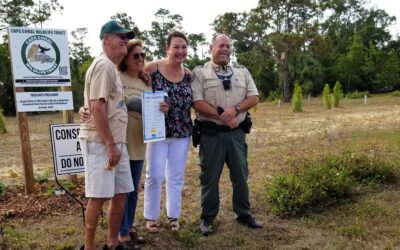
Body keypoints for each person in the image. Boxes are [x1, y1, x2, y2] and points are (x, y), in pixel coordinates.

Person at [80, 39, 168, 249]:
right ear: (125, 57)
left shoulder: (145, 80)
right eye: (135, 55)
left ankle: (120, 236)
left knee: (127, 191)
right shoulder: (108, 69)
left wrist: (161, 107)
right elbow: (95, 104)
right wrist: (85, 110)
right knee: (101, 194)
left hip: (134, 140)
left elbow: (112, 103)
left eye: (143, 56)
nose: (140, 59)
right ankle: (99, 242)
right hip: (110, 142)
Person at [191, 33, 263, 236]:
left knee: (241, 175)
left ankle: (243, 213)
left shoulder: (242, 72)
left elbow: (254, 96)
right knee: (210, 178)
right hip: (211, 135)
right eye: (221, 45)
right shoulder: (200, 73)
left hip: (237, 135)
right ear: (211, 47)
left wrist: (236, 109)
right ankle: (207, 218)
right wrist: (224, 116)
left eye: (228, 46)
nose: (225, 49)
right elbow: (197, 102)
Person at [79, 20, 135, 250]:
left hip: (116, 143)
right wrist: (110, 144)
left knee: (121, 193)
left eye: (126, 37)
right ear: (106, 39)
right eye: (119, 36)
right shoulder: (103, 65)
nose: (125, 40)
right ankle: (89, 247)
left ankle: (112, 244)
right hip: (102, 143)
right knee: (98, 196)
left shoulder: (112, 67)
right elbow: (97, 108)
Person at [142, 31, 192, 233]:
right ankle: (151, 217)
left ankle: (173, 216)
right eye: (176, 47)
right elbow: (136, 89)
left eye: (183, 47)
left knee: (176, 176)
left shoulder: (188, 75)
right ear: (167, 49)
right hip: (158, 133)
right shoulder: (152, 68)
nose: (180, 51)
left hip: (182, 133)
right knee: (154, 174)